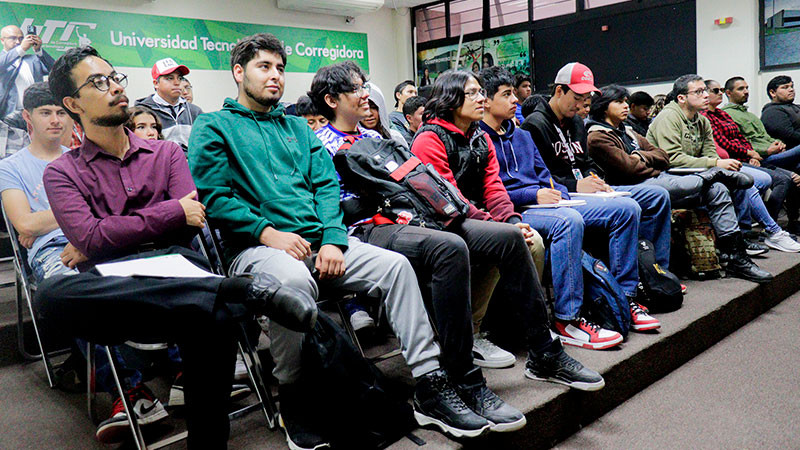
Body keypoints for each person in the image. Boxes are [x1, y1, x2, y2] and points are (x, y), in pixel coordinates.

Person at [188, 33, 504, 447]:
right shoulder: (213, 127)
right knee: (293, 283)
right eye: (263, 67)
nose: (274, 76)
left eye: (280, 68)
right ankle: (293, 395)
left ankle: (430, 384)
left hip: (321, 244)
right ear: (238, 72)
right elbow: (217, 198)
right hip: (254, 249)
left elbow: (325, 189)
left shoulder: (298, 130)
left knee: (396, 266)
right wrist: (270, 234)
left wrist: (335, 240)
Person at [39, 45, 316, 448]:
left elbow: (191, 222)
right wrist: (168, 213)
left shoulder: (166, 151)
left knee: (211, 315)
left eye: (116, 77)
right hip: (121, 292)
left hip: (177, 268)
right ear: (72, 103)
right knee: (50, 294)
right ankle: (236, 289)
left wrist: (111, 231)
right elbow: (92, 239)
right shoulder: (61, 171)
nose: (116, 87)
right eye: (99, 82)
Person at [310, 60, 539, 435]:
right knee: (448, 248)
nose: (367, 94)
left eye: (365, 84)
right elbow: (331, 205)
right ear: (332, 100)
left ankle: (540, 351)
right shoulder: (322, 146)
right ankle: (462, 378)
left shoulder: (378, 139)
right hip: (362, 230)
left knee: (501, 237)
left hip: (405, 219)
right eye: (357, 88)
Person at [410, 69, 604, 386]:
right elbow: (447, 198)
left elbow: (494, 189)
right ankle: (522, 345)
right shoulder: (429, 139)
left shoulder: (478, 136)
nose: (481, 98)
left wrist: (512, 220)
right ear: (450, 99)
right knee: (509, 239)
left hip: (473, 218)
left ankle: (517, 331)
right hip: (439, 223)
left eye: (480, 92)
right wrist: (500, 225)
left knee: (529, 240)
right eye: (472, 93)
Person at [479, 66, 660, 350]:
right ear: (486, 100)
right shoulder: (489, 136)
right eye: (507, 94)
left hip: (548, 199)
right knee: (569, 220)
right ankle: (568, 318)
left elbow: (545, 174)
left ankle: (624, 300)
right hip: (517, 206)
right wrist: (537, 192)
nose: (515, 100)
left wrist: (563, 189)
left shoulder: (520, 135)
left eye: (514, 93)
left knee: (627, 208)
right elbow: (492, 189)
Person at [520, 63, 673, 275]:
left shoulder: (576, 123)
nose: (582, 105)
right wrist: (576, 185)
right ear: (558, 91)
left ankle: (655, 272)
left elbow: (586, 163)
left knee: (657, 196)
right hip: (563, 196)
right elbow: (538, 177)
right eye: (577, 98)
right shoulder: (534, 125)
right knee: (627, 208)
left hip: (587, 191)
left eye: (586, 99)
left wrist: (596, 180)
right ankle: (626, 289)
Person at [645, 75, 776, 281]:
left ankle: (735, 251)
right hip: (668, 179)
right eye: (698, 92)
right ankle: (737, 255)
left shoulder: (702, 120)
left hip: (697, 175)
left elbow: (710, 154)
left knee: (733, 182)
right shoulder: (668, 118)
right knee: (720, 186)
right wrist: (714, 165)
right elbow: (672, 159)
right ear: (681, 98)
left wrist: (716, 165)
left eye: (705, 91)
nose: (705, 95)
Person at [702, 79, 800, 249]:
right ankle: (767, 230)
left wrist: (767, 146)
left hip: (749, 157)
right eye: (715, 90)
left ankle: (767, 228)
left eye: (747, 88)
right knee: (757, 182)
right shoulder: (709, 116)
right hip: (736, 159)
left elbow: (743, 139)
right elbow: (723, 143)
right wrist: (752, 153)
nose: (746, 91)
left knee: (787, 175)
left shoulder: (722, 114)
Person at [135, 57, 203, 151]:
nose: (177, 83)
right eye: (170, 78)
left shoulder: (194, 112)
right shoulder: (142, 112)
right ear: (156, 83)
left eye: (179, 78)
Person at [0, 25, 55, 118]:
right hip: (8, 113)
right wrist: (21, 49)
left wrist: (39, 51)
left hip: (34, 112)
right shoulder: (3, 59)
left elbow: (55, 69)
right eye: (13, 38)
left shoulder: (33, 59)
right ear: (2, 40)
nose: (18, 42)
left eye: (21, 38)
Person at [361, 82, 409, 149]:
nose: (369, 113)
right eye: (364, 108)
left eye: (374, 107)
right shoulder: (354, 143)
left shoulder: (395, 138)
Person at [761, 75, 800, 153]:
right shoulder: (772, 112)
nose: (791, 90)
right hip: (790, 152)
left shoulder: (795, 106)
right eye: (785, 87)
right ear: (773, 93)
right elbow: (789, 136)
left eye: (791, 86)